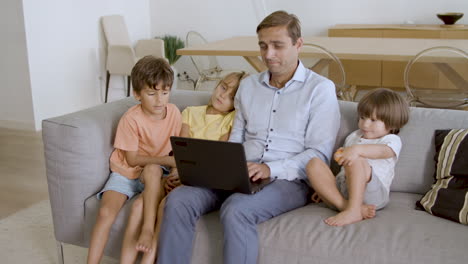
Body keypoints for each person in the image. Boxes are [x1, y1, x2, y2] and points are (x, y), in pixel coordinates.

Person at [156, 10, 340, 264]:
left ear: (298, 44)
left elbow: (319, 153)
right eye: (263, 46)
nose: (268, 54)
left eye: (278, 46)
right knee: (178, 200)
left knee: (236, 210)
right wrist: (211, 171)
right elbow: (236, 137)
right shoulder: (249, 86)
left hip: (289, 180)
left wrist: (268, 168)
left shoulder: (320, 89)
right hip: (238, 171)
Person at [120, 71, 247, 264]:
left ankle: (149, 259)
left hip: (197, 179)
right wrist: (176, 171)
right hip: (176, 171)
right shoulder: (190, 112)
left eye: (231, 96)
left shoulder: (231, 121)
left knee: (164, 206)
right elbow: (182, 149)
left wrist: (186, 174)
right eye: (223, 87)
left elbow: (217, 156)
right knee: (139, 205)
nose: (223, 95)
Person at [87, 56, 181, 264]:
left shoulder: (174, 113)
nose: (160, 100)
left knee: (154, 170)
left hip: (154, 174)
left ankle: (147, 230)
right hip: (126, 172)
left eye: (165, 93)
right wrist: (167, 160)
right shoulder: (131, 119)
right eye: (151, 93)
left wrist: (173, 166)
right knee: (105, 213)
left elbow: (176, 151)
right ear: (137, 94)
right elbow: (131, 159)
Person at [307, 88, 409, 227]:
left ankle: (353, 209)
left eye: (373, 120)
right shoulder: (353, 137)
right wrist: (326, 187)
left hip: (373, 193)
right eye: (362, 117)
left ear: (392, 123)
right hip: (344, 188)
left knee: (356, 159)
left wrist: (357, 150)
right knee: (313, 164)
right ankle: (348, 207)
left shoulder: (390, 140)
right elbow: (343, 168)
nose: (365, 124)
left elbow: (383, 152)